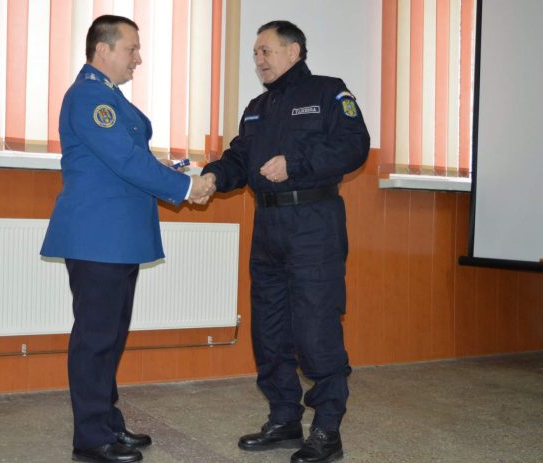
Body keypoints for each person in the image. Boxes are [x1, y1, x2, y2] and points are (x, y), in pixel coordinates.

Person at [40, 15, 215, 463]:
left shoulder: (109, 97)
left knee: (111, 337)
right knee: (95, 338)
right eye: (131, 49)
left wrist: (168, 171)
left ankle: (107, 423)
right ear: (103, 50)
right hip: (99, 236)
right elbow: (124, 160)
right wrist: (186, 187)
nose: (138, 58)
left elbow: (130, 157)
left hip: (117, 237)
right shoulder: (89, 96)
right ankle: (90, 438)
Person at [200, 20, 370, 463]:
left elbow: (354, 145)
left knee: (316, 329)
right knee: (270, 329)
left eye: (266, 51)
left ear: (294, 52)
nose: (259, 60)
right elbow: (240, 158)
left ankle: (327, 430)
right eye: (255, 53)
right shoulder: (257, 108)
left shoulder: (329, 93)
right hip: (268, 227)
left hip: (313, 224)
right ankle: (284, 419)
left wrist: (295, 162)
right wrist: (214, 176)